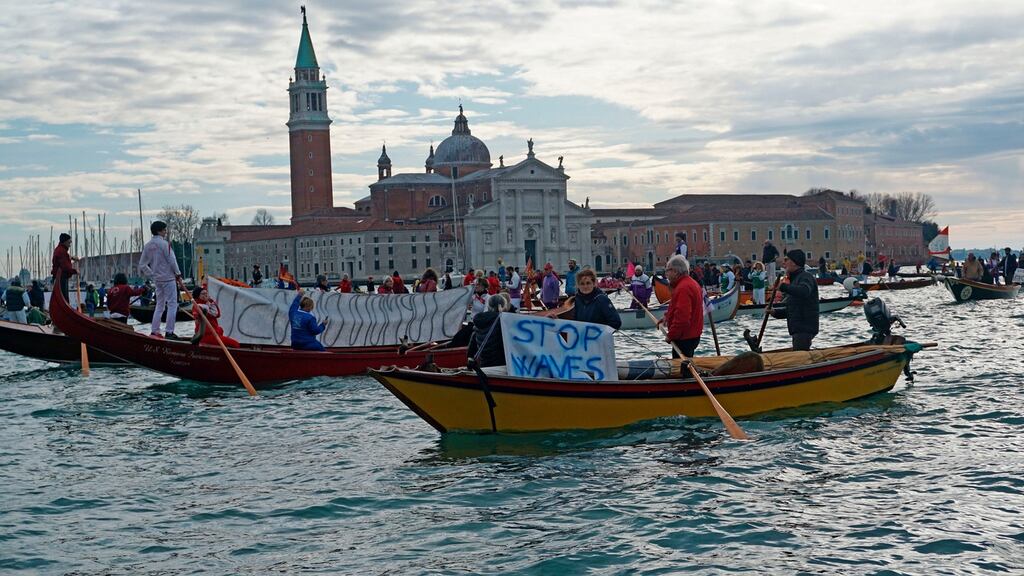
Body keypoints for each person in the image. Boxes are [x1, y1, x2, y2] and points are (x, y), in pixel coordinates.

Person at [138, 220, 185, 339]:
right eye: (164, 230)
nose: (165, 232)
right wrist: (178, 274)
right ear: (159, 231)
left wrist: (152, 275)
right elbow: (172, 260)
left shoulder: (148, 246)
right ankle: (169, 332)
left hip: (157, 280)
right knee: (172, 305)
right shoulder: (165, 244)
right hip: (168, 279)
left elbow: (142, 265)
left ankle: (155, 331)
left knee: (159, 305)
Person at [770, 249, 819, 351]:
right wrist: (775, 312)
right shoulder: (795, 280)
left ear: (794, 262)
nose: (783, 263)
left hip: (804, 329)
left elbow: (804, 291)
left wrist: (783, 286)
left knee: (801, 355)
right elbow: (793, 308)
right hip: (798, 329)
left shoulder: (806, 277)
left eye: (786, 260)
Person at [659, 255, 702, 358]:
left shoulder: (683, 288)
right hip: (690, 335)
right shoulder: (690, 283)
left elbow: (682, 318)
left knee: (682, 368)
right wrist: (666, 317)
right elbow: (675, 306)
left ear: (675, 271)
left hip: (684, 338)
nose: (666, 274)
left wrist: (671, 335)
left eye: (667, 271)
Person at [467, 294, 509, 368]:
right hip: (501, 366)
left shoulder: (479, 322)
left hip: (484, 365)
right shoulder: (502, 322)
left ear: (488, 306)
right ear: (501, 306)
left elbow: (471, 350)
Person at [50, 232, 78, 302]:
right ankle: (64, 311)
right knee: (63, 298)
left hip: (59, 277)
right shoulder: (62, 251)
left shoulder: (60, 250)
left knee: (62, 297)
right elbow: (65, 266)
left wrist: (71, 257)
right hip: (61, 277)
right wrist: (75, 271)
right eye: (69, 242)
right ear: (65, 242)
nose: (70, 245)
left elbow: (63, 259)